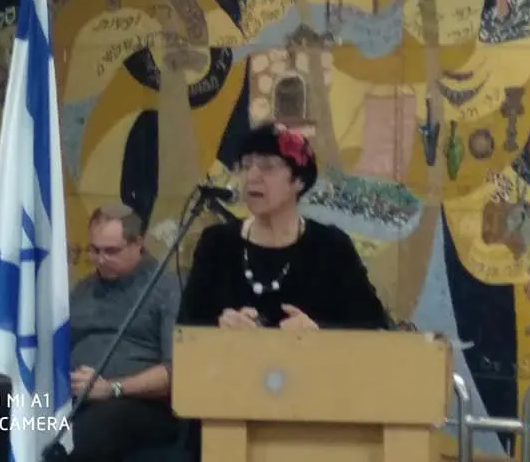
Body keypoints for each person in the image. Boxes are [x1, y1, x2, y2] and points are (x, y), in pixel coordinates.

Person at [178, 121, 391, 331]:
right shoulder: (217, 244)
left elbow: (375, 328)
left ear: (299, 180)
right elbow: (186, 330)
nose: (252, 176)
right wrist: (219, 326)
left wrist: (318, 332)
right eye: (245, 165)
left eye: (268, 167)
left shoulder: (331, 247)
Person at [67, 203, 180, 461]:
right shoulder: (83, 289)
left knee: (90, 429)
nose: (100, 259)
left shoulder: (167, 289)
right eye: (94, 250)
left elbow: (175, 371)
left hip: (138, 403)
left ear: (137, 243)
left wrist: (112, 388)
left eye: (111, 251)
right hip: (75, 395)